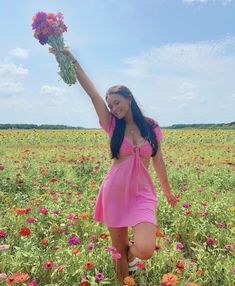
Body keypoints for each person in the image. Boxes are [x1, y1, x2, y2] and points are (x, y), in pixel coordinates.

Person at [49, 47, 177, 285]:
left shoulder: (151, 126)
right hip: (115, 192)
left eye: (117, 103)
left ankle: (131, 254)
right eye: (111, 106)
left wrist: (167, 190)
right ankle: (123, 279)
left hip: (143, 194)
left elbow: (158, 160)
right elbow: (93, 95)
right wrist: (71, 60)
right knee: (117, 249)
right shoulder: (112, 125)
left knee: (146, 249)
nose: (114, 109)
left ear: (129, 98)